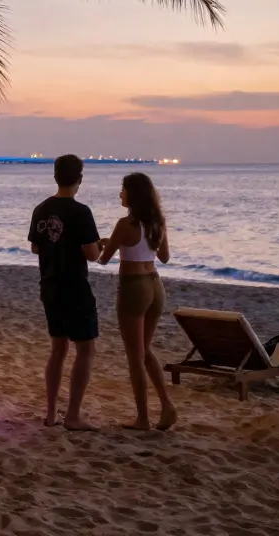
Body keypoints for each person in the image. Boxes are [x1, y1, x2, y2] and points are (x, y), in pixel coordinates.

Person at [28, 155, 103, 431]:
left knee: (58, 348)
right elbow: (92, 254)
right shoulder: (81, 212)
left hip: (49, 285)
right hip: (74, 286)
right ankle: (72, 414)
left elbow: (36, 247)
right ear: (79, 179)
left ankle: (50, 413)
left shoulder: (41, 209)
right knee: (86, 348)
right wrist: (99, 245)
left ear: (55, 176)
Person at [98, 173, 178, 431]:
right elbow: (164, 257)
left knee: (135, 355)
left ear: (133, 194)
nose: (120, 194)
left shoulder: (125, 224)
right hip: (155, 285)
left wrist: (101, 244)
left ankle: (142, 418)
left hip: (134, 287)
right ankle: (166, 405)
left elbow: (103, 259)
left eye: (122, 190)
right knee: (145, 349)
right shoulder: (158, 222)